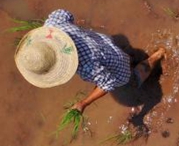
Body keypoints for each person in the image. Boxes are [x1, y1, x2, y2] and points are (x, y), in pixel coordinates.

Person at [14, 9, 165, 112]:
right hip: (104, 43)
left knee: (133, 78)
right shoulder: (52, 24)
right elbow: (65, 13)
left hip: (116, 66)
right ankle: (131, 57)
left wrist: (84, 103)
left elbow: (108, 83)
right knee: (121, 57)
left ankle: (158, 54)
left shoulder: (86, 67)